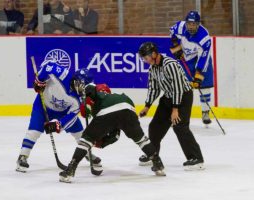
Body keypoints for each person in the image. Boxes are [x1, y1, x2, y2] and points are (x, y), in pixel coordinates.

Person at [58, 79, 166, 183]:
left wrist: (84, 99)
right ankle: (158, 164)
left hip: (107, 111)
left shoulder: (97, 92)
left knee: (86, 140)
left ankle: (70, 170)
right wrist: (104, 142)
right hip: (128, 110)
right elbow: (115, 135)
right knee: (141, 139)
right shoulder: (117, 96)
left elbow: (90, 90)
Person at [16, 62, 101, 172]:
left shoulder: (78, 99)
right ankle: (23, 156)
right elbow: (48, 66)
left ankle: (86, 153)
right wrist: (40, 80)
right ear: (77, 81)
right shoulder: (62, 74)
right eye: (83, 86)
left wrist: (59, 124)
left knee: (80, 132)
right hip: (43, 106)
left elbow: (71, 116)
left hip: (63, 112)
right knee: (34, 131)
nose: (83, 90)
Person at [138, 42, 204, 170]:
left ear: (153, 54)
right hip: (168, 97)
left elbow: (178, 88)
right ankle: (153, 154)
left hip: (183, 97)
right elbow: (154, 88)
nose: (145, 61)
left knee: (180, 127)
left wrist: (175, 109)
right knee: (155, 126)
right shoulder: (153, 68)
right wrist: (147, 106)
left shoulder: (170, 65)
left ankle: (196, 159)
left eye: (145, 58)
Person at [169, 10, 214, 125]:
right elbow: (172, 32)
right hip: (187, 58)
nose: (191, 26)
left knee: (204, 85)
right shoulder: (180, 26)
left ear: (198, 24)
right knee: (184, 86)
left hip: (200, 58)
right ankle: (181, 112)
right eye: (189, 23)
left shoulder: (204, 38)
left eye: (194, 24)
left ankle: (205, 112)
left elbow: (203, 58)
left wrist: (198, 75)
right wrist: (176, 46)